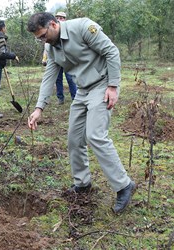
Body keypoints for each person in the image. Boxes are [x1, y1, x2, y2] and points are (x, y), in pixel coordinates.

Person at [27, 12, 135, 214]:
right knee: (74, 138)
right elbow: (49, 77)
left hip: (102, 85)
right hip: (83, 90)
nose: (42, 40)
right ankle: (82, 183)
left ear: (53, 24)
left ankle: (124, 185)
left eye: (43, 35)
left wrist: (113, 86)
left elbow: (111, 52)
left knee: (95, 135)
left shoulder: (83, 27)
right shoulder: (51, 48)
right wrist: (39, 108)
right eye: (38, 38)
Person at [41, 12, 77, 104]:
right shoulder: (51, 33)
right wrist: (44, 59)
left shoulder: (70, 31)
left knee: (70, 78)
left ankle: (75, 97)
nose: (60, 19)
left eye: (62, 17)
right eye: (58, 17)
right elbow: (47, 47)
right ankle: (60, 98)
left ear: (65, 19)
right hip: (56, 60)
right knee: (57, 79)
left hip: (68, 60)